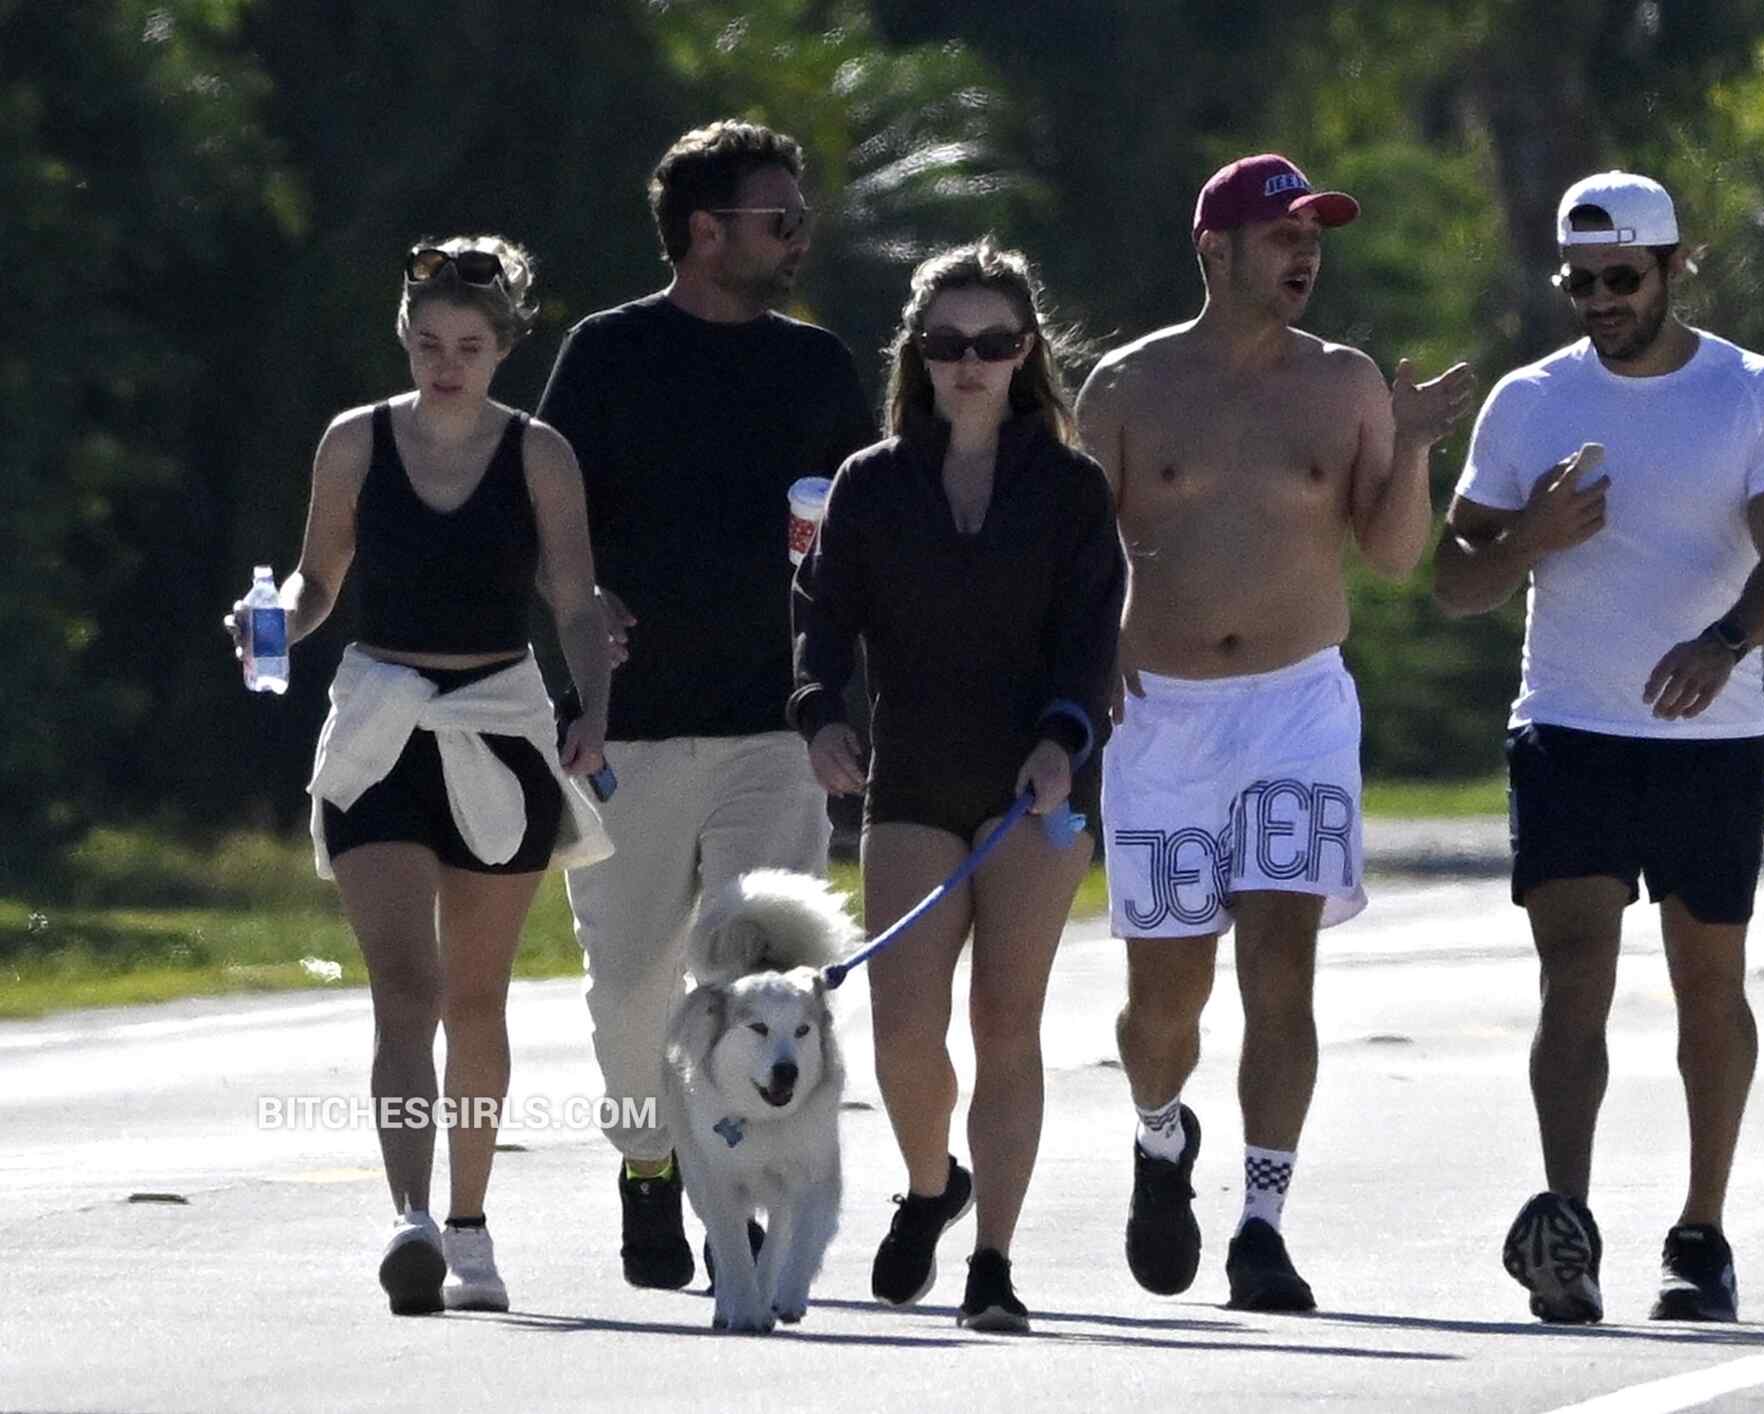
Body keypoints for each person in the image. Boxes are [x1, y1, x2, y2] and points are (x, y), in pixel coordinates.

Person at [1074, 153, 1474, 1311]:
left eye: (1314, 236)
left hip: (1295, 708)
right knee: (1165, 1001)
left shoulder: (1345, 383)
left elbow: (1390, 554)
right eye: (1282, 235)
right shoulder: (1126, 385)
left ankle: (1261, 1224)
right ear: (1215, 249)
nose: (1305, 254)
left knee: (1281, 965)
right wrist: (1078, 668)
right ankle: (1160, 1135)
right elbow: (1077, 554)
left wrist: (1411, 445)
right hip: (1161, 715)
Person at [1432, 172, 1764, 1325]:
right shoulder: (1529, 400)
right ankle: (1567, 1225)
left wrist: (1723, 642)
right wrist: (1530, 535)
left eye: (1620, 278)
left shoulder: (1749, 390)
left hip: (1710, 735)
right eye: (1579, 281)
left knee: (1707, 983)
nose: (1599, 300)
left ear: (1672, 267)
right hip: (1567, 726)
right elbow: (1454, 579)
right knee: (1573, 977)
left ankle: (1700, 1234)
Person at [224, 236, 614, 1315]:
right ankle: (410, 1219)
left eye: (470, 348)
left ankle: (470, 1224)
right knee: (406, 988)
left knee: (477, 998)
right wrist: (271, 621)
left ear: (503, 350)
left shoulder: (540, 455)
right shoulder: (355, 440)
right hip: (382, 722)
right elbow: (316, 581)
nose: (447, 365)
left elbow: (575, 601)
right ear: (405, 337)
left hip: (497, 720)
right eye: (430, 343)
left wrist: (592, 713)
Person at [535, 119, 878, 1291]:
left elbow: (869, 529)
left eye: (801, 218)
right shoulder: (606, 352)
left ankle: (752, 1183)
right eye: (779, 218)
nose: (798, 237)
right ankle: (649, 1161)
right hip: (624, 726)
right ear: (703, 231)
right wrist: (583, 596)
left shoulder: (816, 367)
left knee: (758, 982)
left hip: (774, 724)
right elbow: (541, 516)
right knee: (632, 988)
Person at [789, 239, 1123, 1331]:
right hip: (913, 775)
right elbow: (821, 619)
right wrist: (819, 715)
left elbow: (1090, 638)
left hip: (1038, 780)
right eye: (946, 344)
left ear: (1025, 353)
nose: (968, 363)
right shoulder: (870, 484)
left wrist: (1063, 737)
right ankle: (933, 1186)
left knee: (1005, 1022)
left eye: (991, 343)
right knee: (901, 1029)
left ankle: (993, 1264)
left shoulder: (1071, 488)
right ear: (917, 354)